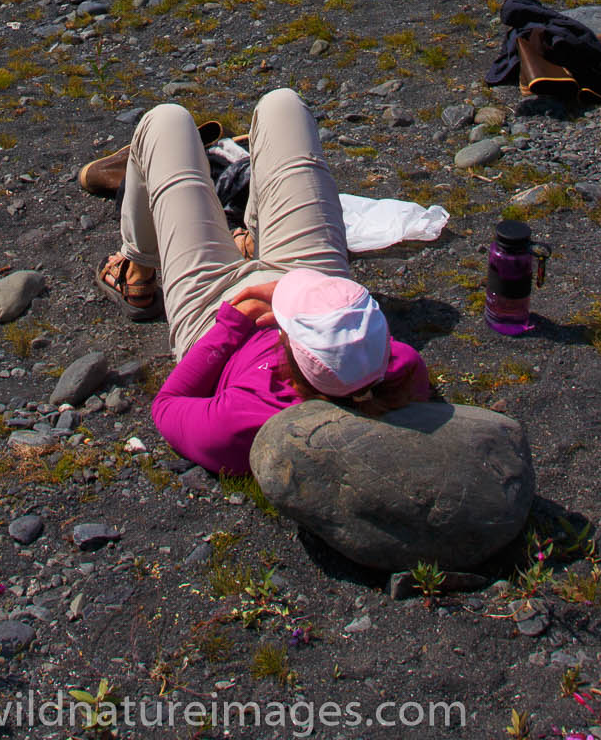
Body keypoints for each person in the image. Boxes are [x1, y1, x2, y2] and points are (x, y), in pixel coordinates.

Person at [91, 89, 430, 475]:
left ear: (287, 346)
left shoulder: (239, 419)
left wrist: (233, 325)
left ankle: (137, 272)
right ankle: (255, 238)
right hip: (314, 282)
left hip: (214, 315)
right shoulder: (394, 371)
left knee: (164, 121)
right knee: (283, 105)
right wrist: (304, 295)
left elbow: (167, 406)